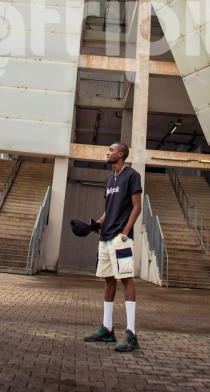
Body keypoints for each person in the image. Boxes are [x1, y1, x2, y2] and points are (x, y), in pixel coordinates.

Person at [84, 142, 142, 352]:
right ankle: (107, 329)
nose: (108, 152)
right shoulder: (110, 179)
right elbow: (109, 209)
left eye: (111, 150)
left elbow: (137, 207)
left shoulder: (132, 175)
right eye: (108, 150)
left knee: (126, 279)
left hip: (121, 237)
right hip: (105, 237)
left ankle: (132, 333)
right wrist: (96, 224)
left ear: (121, 154)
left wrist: (125, 232)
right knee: (108, 280)